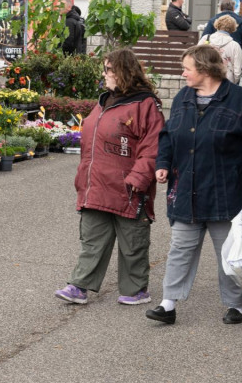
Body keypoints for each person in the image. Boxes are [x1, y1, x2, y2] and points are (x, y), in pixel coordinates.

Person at [146, 45, 242, 326]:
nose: (183, 73)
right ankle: (168, 304)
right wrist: (163, 163)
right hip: (186, 189)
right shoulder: (183, 98)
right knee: (180, 248)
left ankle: (235, 305)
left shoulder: (239, 100)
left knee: (228, 253)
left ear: (204, 70)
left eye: (187, 68)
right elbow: (167, 135)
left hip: (225, 191)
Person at [54, 49, 165, 307]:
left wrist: (137, 179)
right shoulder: (105, 101)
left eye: (108, 70)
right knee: (92, 239)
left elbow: (153, 145)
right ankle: (79, 286)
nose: (104, 75)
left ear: (123, 72)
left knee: (132, 243)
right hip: (97, 186)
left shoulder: (145, 104)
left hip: (128, 188)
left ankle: (135, 289)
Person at [201, 15, 242, 84]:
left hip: (207, 79)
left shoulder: (206, 39)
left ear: (217, 24)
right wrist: (234, 82)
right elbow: (238, 70)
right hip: (227, 82)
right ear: (233, 28)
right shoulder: (235, 46)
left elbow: (196, 58)